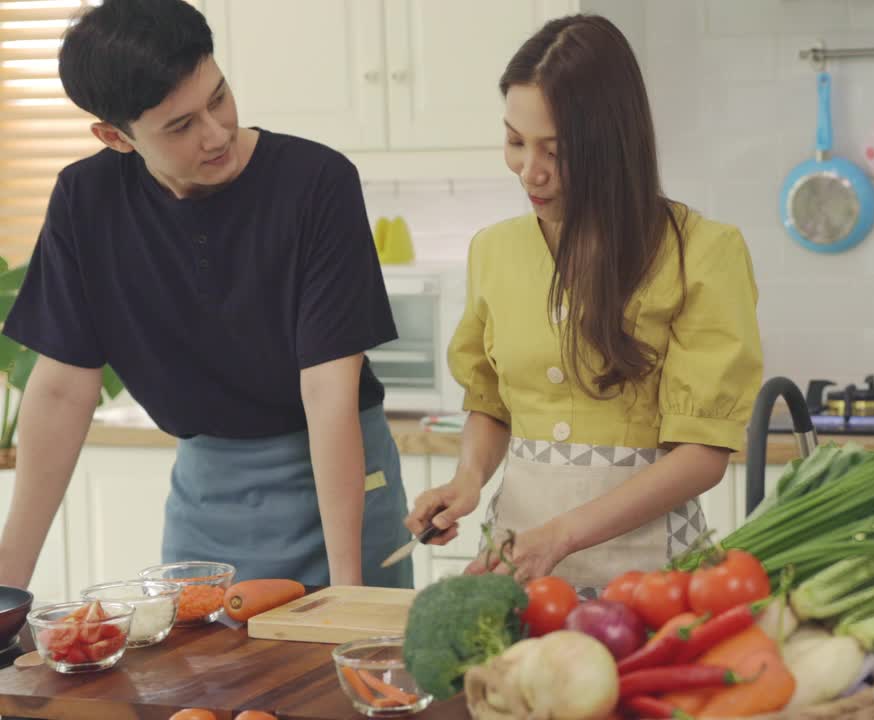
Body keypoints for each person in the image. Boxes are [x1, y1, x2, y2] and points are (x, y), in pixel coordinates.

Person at [0, 0, 411, 590]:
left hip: (341, 487)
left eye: (217, 98)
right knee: (198, 679)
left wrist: (346, 593)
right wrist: (7, 589)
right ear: (115, 137)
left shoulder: (316, 182)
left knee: (340, 675)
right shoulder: (84, 201)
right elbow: (63, 388)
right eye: (180, 126)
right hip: (205, 502)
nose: (216, 134)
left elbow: (328, 392)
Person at [404, 14, 764, 596]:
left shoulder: (703, 252)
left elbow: (703, 453)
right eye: (515, 141)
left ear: (612, 144)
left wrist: (563, 535)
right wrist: (466, 480)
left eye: (556, 150)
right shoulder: (494, 250)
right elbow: (491, 405)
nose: (530, 170)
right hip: (515, 572)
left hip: (651, 581)